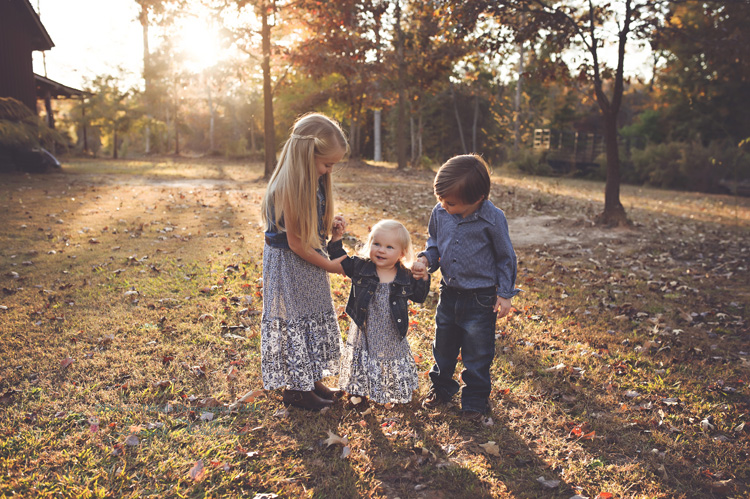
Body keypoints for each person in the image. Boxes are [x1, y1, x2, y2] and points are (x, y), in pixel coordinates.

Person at [412, 154, 520, 421]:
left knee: (478, 351)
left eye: (450, 203)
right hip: (449, 294)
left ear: (477, 198)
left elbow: (506, 257)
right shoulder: (440, 212)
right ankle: (441, 388)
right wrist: (426, 259)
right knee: (443, 346)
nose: (443, 206)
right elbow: (435, 242)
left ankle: (475, 399)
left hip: (481, 298)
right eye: (441, 200)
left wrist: (505, 293)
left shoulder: (493, 219)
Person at [260, 113, 349, 411]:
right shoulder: (289, 186)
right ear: (306, 155)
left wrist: (329, 224)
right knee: (297, 322)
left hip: (307, 260)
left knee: (310, 316)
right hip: (290, 263)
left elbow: (307, 229)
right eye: (327, 164)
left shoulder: (314, 180)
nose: (329, 170)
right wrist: (333, 266)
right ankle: (296, 390)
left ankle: (309, 380)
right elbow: (296, 243)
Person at [327, 219, 430, 405]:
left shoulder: (404, 275)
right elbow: (339, 259)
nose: (381, 250)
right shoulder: (361, 266)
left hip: (391, 328)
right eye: (376, 244)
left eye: (389, 247)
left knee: (390, 358)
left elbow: (420, 297)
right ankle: (357, 391)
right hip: (365, 325)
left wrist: (423, 277)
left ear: (402, 253)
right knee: (362, 356)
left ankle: (393, 389)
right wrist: (336, 238)